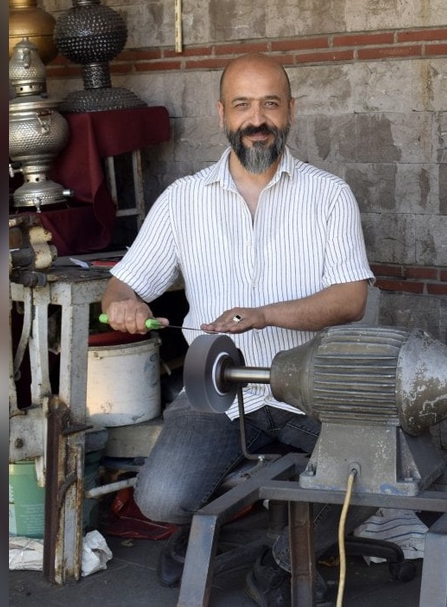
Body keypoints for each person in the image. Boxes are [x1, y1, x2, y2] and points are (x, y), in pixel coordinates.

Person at [100, 53, 375, 606]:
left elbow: (352, 299)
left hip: (313, 388)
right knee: (160, 500)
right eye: (244, 105)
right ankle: (198, 532)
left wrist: (265, 314)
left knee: (373, 474)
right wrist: (124, 303)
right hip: (219, 394)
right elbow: (122, 286)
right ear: (221, 113)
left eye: (270, 103)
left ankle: (281, 559)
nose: (258, 119)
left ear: (291, 111)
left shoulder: (328, 195)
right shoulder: (183, 200)